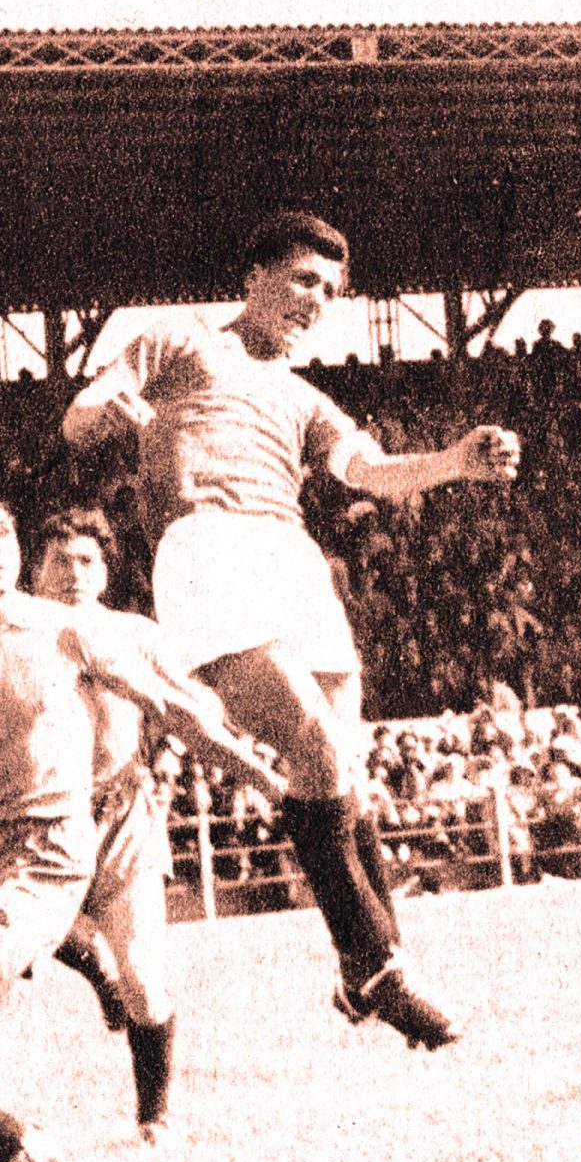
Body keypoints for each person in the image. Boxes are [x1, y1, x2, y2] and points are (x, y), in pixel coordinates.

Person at [63, 210, 522, 1050]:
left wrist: (456, 461)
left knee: (342, 769)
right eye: (306, 279)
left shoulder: (307, 397)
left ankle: (371, 966)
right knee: (311, 747)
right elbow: (82, 411)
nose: (319, 300)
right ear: (254, 276)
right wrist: (107, 410)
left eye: (333, 290)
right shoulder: (178, 340)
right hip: (207, 543)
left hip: (294, 558)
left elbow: (371, 472)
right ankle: (376, 967)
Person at [0, 496, 279, 1162]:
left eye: (4, 534)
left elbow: (171, 706)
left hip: (47, 843)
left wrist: (262, 773)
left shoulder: (65, 629)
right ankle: (10, 1138)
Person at [32, 506, 185, 1144]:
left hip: (123, 810)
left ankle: (155, 1116)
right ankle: (92, 965)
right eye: (59, 559)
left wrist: (169, 762)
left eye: (86, 560)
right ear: (34, 569)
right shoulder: (14, 634)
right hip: (37, 816)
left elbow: (185, 708)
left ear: (106, 570)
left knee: (144, 977)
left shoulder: (137, 633)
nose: (72, 572)